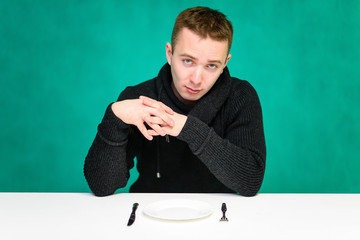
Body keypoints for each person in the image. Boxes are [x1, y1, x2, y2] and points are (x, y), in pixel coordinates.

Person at [84, 6, 266, 197]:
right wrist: (114, 118)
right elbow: (101, 187)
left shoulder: (240, 96)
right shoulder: (140, 98)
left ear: (225, 63)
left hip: (217, 215)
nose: (196, 79)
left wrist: (186, 128)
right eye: (188, 61)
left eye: (211, 65)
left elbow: (251, 180)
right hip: (147, 211)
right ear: (169, 53)